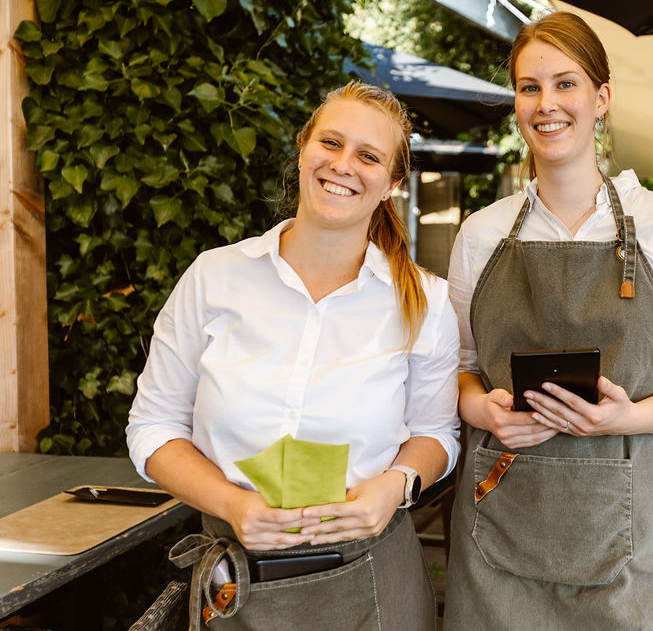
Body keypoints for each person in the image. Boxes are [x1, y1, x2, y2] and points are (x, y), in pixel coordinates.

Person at [126, 81, 460, 630]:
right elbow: (153, 428)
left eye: (368, 155)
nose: (343, 165)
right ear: (304, 148)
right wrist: (232, 504)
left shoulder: (426, 301)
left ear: (393, 184)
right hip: (235, 581)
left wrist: (394, 485)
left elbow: (436, 435)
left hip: (371, 577)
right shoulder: (214, 278)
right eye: (330, 142)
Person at [443, 11, 653, 630]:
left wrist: (627, 417)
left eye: (565, 83)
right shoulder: (481, 234)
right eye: (530, 87)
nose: (546, 104)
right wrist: (484, 411)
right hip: (499, 531)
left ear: (601, 98)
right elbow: (460, 370)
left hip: (631, 547)